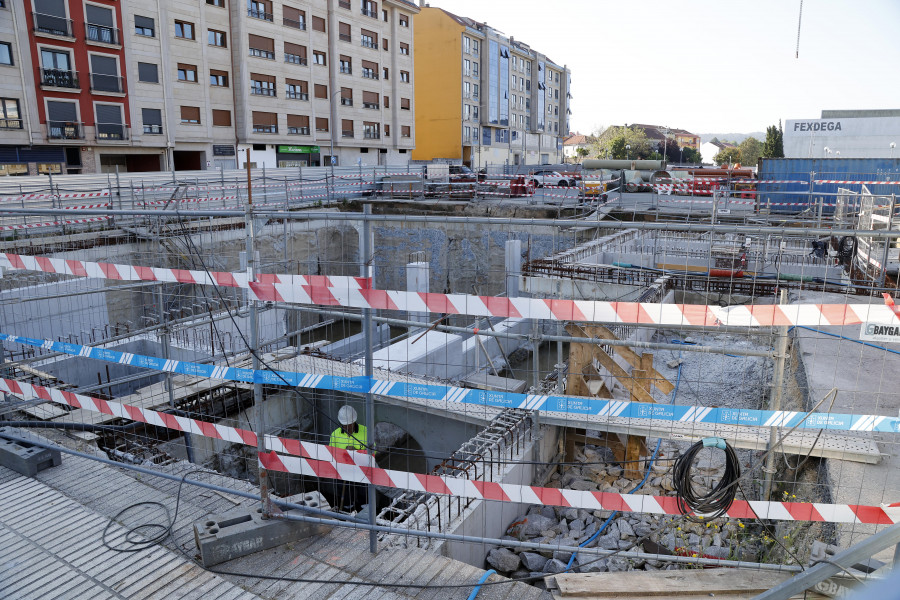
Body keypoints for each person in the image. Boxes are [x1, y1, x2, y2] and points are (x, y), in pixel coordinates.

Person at [328, 405, 371, 511]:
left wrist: (356, 451)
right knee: (346, 496)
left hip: (361, 470)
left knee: (363, 494)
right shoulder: (335, 434)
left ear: (354, 421)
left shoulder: (366, 432)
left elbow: (373, 451)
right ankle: (348, 511)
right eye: (344, 425)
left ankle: (364, 512)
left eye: (349, 425)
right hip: (343, 471)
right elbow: (330, 454)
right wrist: (344, 454)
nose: (347, 428)